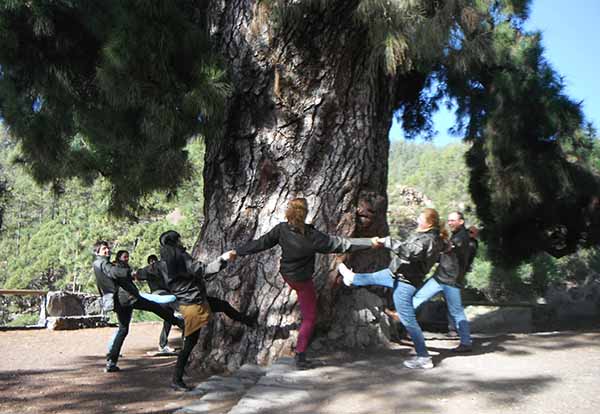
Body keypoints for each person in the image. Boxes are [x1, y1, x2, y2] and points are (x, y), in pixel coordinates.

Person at [233, 197, 377, 369]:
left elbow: (260, 244)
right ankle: (300, 355)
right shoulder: (312, 236)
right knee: (310, 317)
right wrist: (369, 242)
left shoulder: (281, 230)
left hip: (287, 275)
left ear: (289, 212)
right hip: (302, 280)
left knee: (306, 302)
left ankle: (301, 352)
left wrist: (238, 251)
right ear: (305, 213)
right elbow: (341, 244)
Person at [338, 208, 446, 369]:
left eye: (420, 218)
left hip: (405, 282)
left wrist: (387, 242)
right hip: (397, 274)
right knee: (374, 276)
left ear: (429, 223)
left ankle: (424, 357)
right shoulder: (429, 237)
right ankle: (353, 278)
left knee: (409, 321)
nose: (417, 220)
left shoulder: (428, 240)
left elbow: (409, 251)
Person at [158, 230, 236, 391]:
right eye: (179, 239)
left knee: (224, 306)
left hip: (194, 302)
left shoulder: (162, 263)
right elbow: (203, 270)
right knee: (189, 343)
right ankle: (176, 379)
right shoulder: (181, 256)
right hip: (194, 304)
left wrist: (135, 274)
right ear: (175, 241)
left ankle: (250, 321)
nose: (181, 242)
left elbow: (144, 272)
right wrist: (223, 259)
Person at [92, 242, 184, 373]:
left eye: (107, 248)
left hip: (119, 301)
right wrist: (130, 273)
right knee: (155, 307)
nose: (107, 250)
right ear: (97, 252)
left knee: (123, 330)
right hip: (127, 298)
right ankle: (179, 323)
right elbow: (113, 272)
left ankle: (111, 362)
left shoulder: (98, 264)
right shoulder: (104, 264)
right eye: (103, 249)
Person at [136, 254, 257, 353]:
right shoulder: (159, 268)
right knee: (184, 328)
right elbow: (136, 275)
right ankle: (175, 360)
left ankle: (248, 320)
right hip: (181, 301)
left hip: (187, 300)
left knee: (222, 306)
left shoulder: (174, 267)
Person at [411, 212, 474, 353]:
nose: (450, 222)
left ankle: (466, 342)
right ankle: (402, 316)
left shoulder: (462, 237)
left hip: (451, 281)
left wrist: (436, 239)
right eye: (449, 220)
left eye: (453, 220)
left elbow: (451, 248)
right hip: (440, 277)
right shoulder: (458, 234)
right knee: (419, 297)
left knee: (456, 311)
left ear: (461, 222)